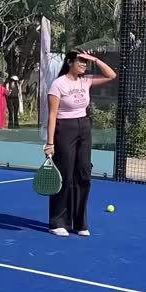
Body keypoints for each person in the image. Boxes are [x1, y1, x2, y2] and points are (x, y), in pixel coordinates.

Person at [45, 50, 117, 237]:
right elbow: (52, 115)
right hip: (64, 129)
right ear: (70, 62)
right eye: (80, 61)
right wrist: (50, 143)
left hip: (84, 127)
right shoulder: (58, 84)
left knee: (84, 173)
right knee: (65, 175)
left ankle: (79, 223)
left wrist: (95, 59)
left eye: (86, 62)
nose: (84, 64)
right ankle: (57, 222)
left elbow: (111, 75)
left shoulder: (86, 81)